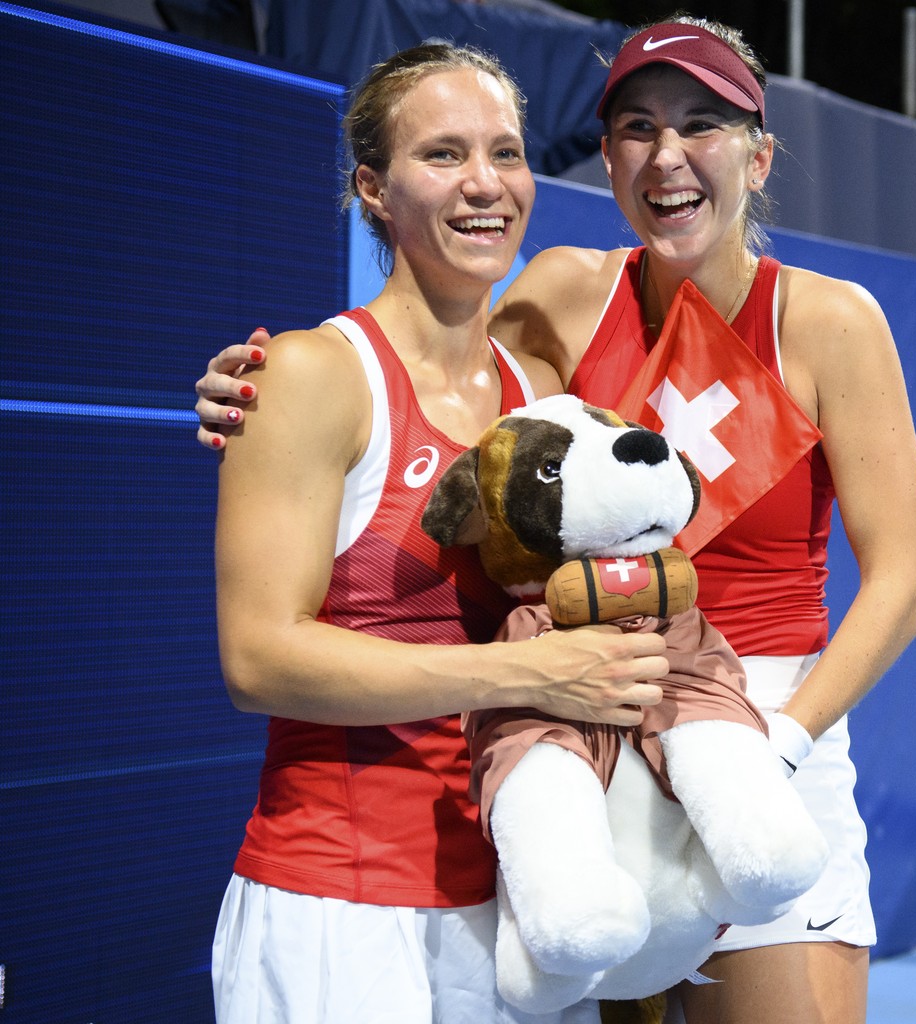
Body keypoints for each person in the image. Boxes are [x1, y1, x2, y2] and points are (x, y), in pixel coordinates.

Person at [197, 17, 916, 1024]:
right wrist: (251, 392)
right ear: (610, 158)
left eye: (702, 124)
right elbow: (424, 403)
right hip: (575, 727)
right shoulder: (551, 306)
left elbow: (904, 582)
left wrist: (781, 743)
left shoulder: (828, 320)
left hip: (755, 737)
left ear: (758, 156)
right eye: (638, 126)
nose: (668, 154)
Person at [207, 42, 670, 1024]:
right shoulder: (311, 375)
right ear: (373, 188)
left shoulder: (541, 401)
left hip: (506, 915)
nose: (485, 184)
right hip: (339, 902)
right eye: (444, 155)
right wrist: (524, 677)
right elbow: (258, 658)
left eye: (506, 153)